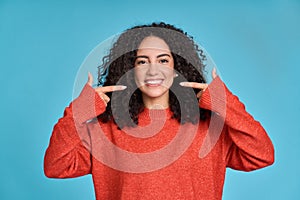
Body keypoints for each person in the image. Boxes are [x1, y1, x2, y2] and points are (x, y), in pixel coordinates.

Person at [44, 22, 274, 199]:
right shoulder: (105, 129)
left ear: (178, 68)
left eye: (163, 60)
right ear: (129, 70)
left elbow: (262, 155)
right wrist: (80, 110)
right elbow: (56, 166)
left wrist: (224, 103)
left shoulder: (209, 127)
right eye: (142, 62)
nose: (153, 70)